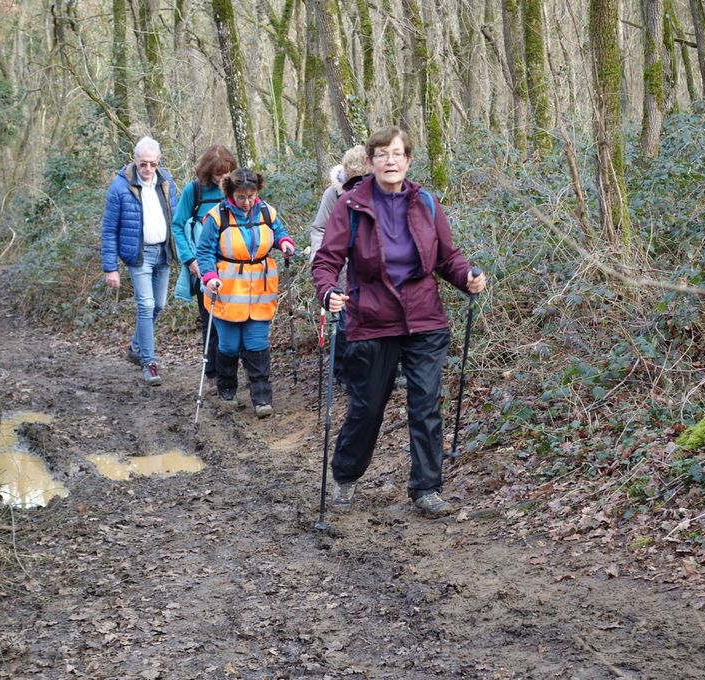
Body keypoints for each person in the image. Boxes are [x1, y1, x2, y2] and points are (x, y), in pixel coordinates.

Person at [311, 125, 487, 518]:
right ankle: (345, 474)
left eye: (397, 154)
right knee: (368, 406)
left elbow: (447, 257)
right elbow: (327, 261)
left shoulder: (425, 202)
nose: (390, 161)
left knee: (425, 403)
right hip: (372, 320)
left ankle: (426, 487)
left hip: (424, 318)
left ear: (408, 160)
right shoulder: (351, 206)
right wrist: (327, 293)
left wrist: (466, 278)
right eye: (382, 155)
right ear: (370, 162)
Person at [196, 168, 296, 418]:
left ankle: (262, 398)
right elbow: (204, 251)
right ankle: (226, 389)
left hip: (261, 291)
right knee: (229, 345)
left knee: (257, 343)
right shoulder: (216, 217)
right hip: (227, 292)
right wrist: (209, 276)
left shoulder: (266, 211)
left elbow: (279, 232)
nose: (248, 201)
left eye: (251, 195)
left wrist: (284, 243)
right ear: (231, 193)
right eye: (242, 196)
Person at [101, 136, 179, 386]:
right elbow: (109, 229)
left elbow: (176, 218)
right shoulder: (120, 186)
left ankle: (136, 345)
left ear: (158, 162)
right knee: (145, 306)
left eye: (152, 164)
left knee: (159, 305)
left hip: (163, 253)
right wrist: (110, 267)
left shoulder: (166, 182)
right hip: (139, 255)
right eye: (143, 163)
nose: (147, 169)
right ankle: (149, 363)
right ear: (135, 161)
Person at [171, 144, 238, 387]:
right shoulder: (194, 191)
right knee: (210, 319)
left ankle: (229, 370)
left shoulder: (236, 191)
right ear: (207, 171)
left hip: (234, 267)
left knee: (233, 320)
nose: (223, 178)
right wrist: (190, 260)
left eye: (228, 172)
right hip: (203, 266)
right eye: (219, 174)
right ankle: (213, 372)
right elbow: (177, 225)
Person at [309, 145, 367, 384]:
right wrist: (319, 260)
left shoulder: (385, 191)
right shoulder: (333, 195)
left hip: (372, 267)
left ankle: (378, 370)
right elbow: (320, 228)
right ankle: (344, 371)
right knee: (344, 322)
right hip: (340, 264)